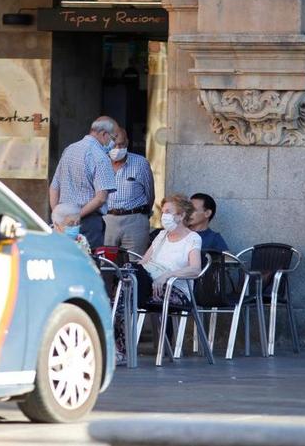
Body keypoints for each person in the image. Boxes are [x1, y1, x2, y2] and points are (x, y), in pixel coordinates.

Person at [113, 194, 201, 364]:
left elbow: (195, 269)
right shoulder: (161, 236)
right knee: (127, 274)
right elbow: (143, 262)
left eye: (169, 212)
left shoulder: (192, 238)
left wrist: (167, 275)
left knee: (123, 298)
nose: (164, 216)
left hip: (173, 289)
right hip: (149, 284)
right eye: (163, 212)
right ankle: (119, 348)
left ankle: (120, 350)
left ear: (181, 215)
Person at [49, 116, 118, 248]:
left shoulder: (69, 149)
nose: (113, 143)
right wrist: (75, 217)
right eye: (113, 138)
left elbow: (54, 187)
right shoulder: (100, 157)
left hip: (61, 222)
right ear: (104, 134)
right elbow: (100, 198)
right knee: (88, 263)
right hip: (87, 222)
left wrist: (58, 216)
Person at [103, 127, 154, 257]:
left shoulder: (140, 163)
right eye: (114, 145)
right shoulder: (99, 163)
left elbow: (150, 194)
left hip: (135, 220)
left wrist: (141, 216)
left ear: (127, 142)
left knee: (135, 265)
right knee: (105, 264)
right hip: (106, 221)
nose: (118, 148)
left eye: (122, 144)